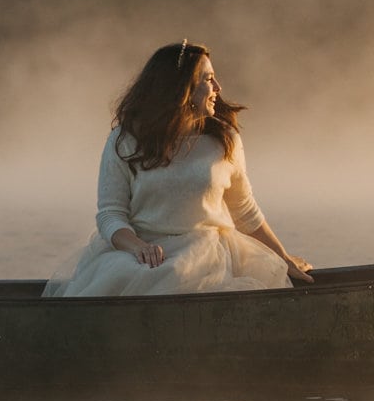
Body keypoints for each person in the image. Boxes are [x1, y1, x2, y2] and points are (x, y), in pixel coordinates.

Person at [44, 41, 311, 299]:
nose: (218, 87)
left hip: (209, 258)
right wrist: (140, 248)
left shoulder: (224, 140)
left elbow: (245, 211)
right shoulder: (125, 141)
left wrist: (283, 258)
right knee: (152, 273)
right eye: (208, 79)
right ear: (181, 89)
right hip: (142, 253)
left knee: (181, 271)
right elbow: (110, 214)